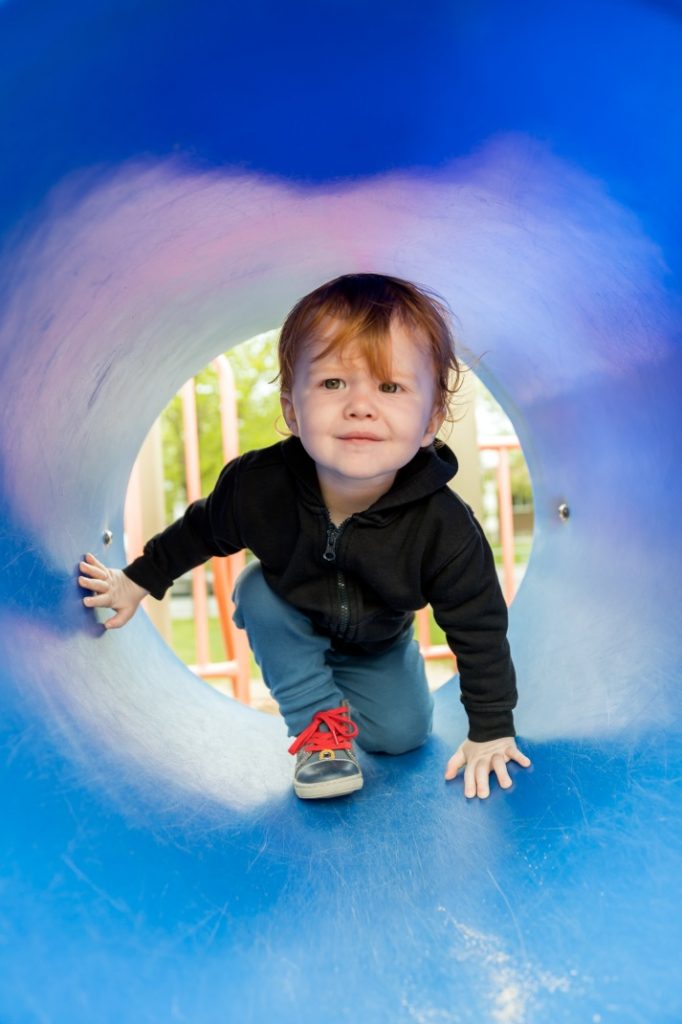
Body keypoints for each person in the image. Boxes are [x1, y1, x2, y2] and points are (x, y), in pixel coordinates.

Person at [78, 273, 531, 801]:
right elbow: (199, 531)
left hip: (377, 643)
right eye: (333, 383)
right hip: (289, 613)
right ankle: (320, 733)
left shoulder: (444, 527)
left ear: (431, 422)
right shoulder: (258, 485)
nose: (360, 405)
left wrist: (491, 728)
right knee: (259, 593)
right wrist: (136, 581)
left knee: (402, 738)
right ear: (293, 411)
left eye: (390, 387)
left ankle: (357, 689)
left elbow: (479, 628)